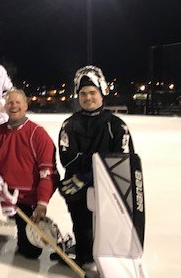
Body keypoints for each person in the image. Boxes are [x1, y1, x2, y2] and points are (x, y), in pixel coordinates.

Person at [57, 66, 134, 267]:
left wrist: (88, 175)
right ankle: (83, 248)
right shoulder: (69, 125)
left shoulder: (117, 126)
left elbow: (121, 162)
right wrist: (99, 162)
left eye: (92, 92)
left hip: (109, 188)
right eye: (83, 93)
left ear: (102, 93)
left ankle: (102, 252)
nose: (88, 97)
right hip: (76, 187)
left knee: (106, 231)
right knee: (83, 231)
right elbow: (68, 159)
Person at [0, 88, 58, 259]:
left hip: (24, 198)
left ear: (26, 105)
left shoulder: (38, 134)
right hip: (1, 191)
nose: (14, 106)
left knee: (30, 252)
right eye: (10, 103)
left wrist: (42, 203)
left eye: (18, 102)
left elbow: (48, 172)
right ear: (5, 107)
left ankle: (20, 222)